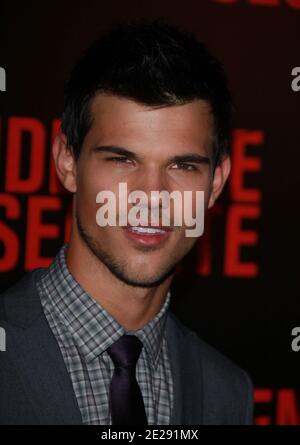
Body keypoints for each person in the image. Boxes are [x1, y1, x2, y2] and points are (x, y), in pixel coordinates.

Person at [0, 20, 253, 425]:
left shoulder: (227, 394)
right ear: (67, 162)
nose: (151, 196)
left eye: (183, 165)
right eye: (122, 160)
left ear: (216, 182)